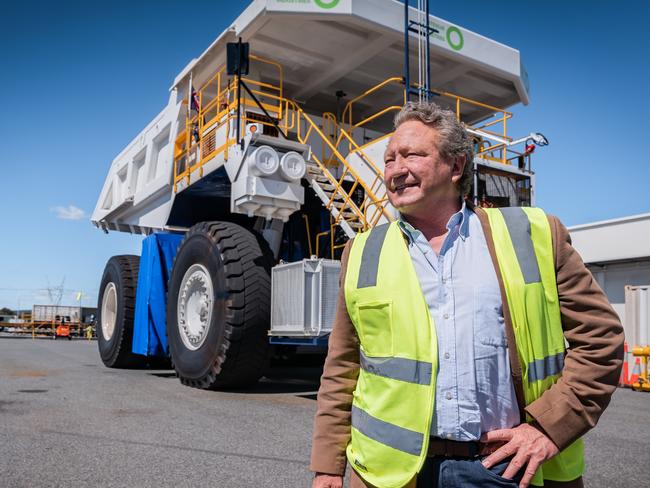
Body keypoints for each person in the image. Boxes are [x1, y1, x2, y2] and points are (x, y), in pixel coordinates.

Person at [310, 101, 624, 488]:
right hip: (389, 475)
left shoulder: (534, 234)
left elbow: (601, 340)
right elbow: (341, 369)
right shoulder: (361, 252)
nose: (395, 169)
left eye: (412, 155)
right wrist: (327, 467)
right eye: (390, 159)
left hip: (506, 467)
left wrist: (549, 428)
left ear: (456, 167)